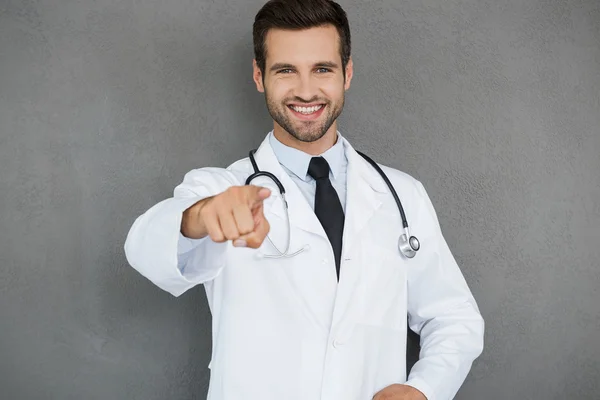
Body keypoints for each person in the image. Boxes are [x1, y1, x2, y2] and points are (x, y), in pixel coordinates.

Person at [124, 0, 484, 399]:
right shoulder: (222, 187)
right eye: (286, 70)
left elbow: (454, 317)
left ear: (347, 73)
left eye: (322, 69)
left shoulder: (402, 195)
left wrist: (423, 390)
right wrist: (202, 216)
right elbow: (143, 247)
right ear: (259, 76)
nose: (306, 90)